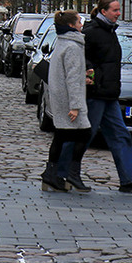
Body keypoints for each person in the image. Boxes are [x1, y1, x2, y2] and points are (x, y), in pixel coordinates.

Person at [64, 0, 132, 194]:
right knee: (84, 135)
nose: (118, 13)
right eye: (115, 10)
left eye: (119, 10)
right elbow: (78, 55)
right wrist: (90, 72)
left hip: (109, 94)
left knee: (120, 135)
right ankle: (66, 171)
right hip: (96, 94)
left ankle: (129, 178)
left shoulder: (110, 31)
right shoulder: (93, 32)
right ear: (104, 11)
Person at [40, 10, 92, 192]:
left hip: (60, 97)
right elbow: (71, 78)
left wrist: (82, 77)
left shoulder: (62, 43)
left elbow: (68, 74)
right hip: (68, 100)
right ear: (71, 25)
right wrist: (76, 106)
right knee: (84, 134)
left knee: (61, 136)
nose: (81, 24)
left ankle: (51, 174)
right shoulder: (72, 46)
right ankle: (70, 174)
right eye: (79, 21)